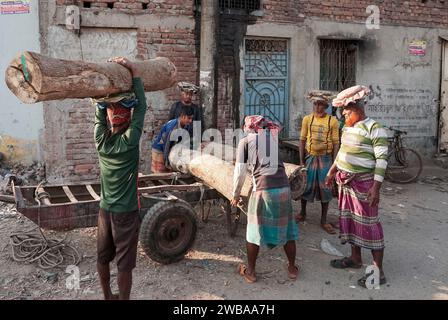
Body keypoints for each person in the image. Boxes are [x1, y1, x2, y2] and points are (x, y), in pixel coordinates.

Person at [93, 57, 147, 300]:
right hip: (126, 212)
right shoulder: (130, 142)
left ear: (108, 119)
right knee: (124, 265)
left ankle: (107, 296)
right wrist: (134, 74)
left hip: (105, 210)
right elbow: (142, 108)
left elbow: (98, 115)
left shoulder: (101, 142)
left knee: (103, 257)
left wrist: (103, 103)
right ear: (127, 119)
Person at [325, 85, 388, 288]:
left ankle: (378, 272)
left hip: (365, 184)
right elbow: (342, 152)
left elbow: (382, 160)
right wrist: (332, 171)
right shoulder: (347, 127)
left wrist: (376, 188)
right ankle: (355, 258)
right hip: (345, 183)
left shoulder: (374, 127)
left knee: (369, 224)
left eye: (347, 111)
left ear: (358, 110)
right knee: (350, 221)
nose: (343, 114)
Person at [231, 115, 299, 283]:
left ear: (247, 128)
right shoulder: (270, 138)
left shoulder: (245, 142)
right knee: (288, 230)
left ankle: (251, 272)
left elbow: (239, 172)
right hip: (284, 189)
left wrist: (235, 195)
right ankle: (291, 268)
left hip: (262, 190)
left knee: (253, 233)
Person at [297, 95, 340, 234]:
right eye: (316, 104)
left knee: (325, 188)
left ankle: (324, 220)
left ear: (326, 107)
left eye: (321, 105)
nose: (318, 107)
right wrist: (301, 161)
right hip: (310, 157)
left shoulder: (332, 121)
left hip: (326, 159)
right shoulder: (307, 119)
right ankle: (302, 213)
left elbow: (335, 143)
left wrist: (334, 164)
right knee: (305, 185)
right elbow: (302, 140)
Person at [151, 106, 194, 173]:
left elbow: (185, 141)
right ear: (182, 116)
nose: (190, 121)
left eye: (191, 118)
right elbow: (166, 146)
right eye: (189, 118)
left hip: (171, 149)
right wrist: (167, 162)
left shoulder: (186, 126)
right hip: (160, 149)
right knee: (160, 174)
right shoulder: (172, 127)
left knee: (169, 173)